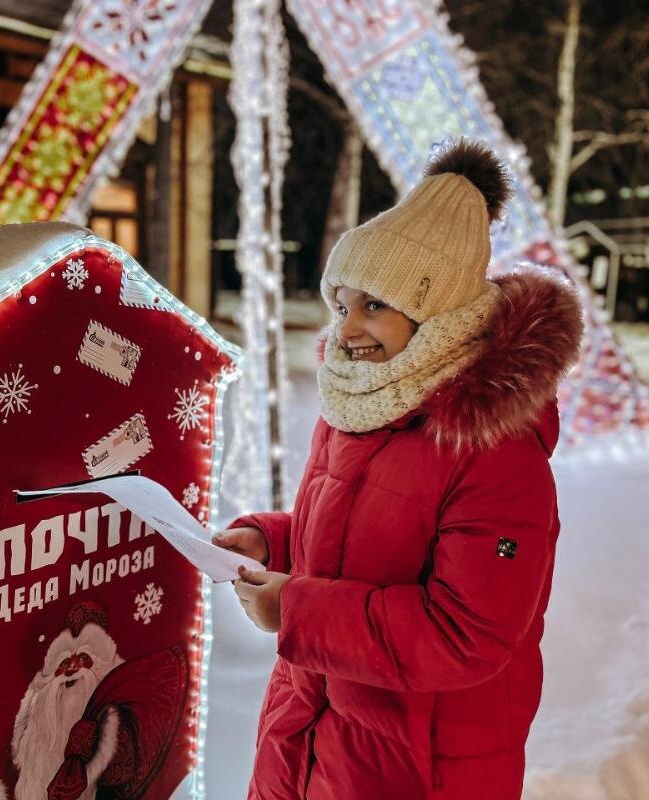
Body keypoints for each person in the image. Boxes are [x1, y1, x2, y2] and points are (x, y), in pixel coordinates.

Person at [213, 138, 584, 799]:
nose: (345, 328)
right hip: (312, 730)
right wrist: (274, 538)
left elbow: (464, 630)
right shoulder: (363, 399)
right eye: (340, 302)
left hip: (419, 765)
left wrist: (297, 611)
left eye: (374, 305)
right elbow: (365, 534)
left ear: (435, 306)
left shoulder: (495, 448)